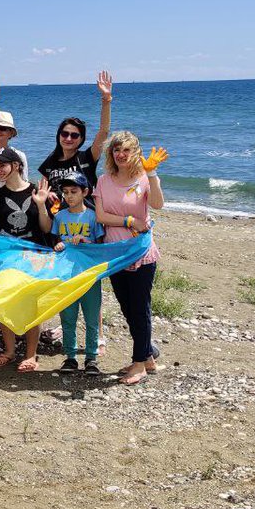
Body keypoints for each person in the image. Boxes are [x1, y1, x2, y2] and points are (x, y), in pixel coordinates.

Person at [95, 132, 167, 386]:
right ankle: (146, 357)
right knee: (127, 308)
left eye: (126, 150)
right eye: (116, 150)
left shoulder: (143, 178)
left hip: (140, 253)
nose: (121, 155)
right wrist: (128, 221)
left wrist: (153, 174)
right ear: (111, 154)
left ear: (135, 152)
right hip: (115, 253)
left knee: (140, 307)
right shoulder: (104, 180)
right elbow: (101, 216)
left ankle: (139, 364)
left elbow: (158, 204)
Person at [0, 147, 54, 372]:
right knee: (6, 300)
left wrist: (41, 204)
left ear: (16, 165)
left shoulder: (37, 192)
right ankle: (10, 351)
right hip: (6, 258)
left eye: (2, 165)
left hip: (34, 256)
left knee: (31, 304)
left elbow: (47, 228)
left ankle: (31, 355)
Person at [50, 174, 105, 375]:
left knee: (91, 318)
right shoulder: (59, 217)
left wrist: (85, 240)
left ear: (85, 192)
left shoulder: (93, 216)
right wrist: (58, 245)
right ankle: (70, 357)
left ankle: (91, 358)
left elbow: (100, 246)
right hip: (66, 276)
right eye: (65, 192)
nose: (69, 196)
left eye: (74, 192)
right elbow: (55, 242)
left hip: (89, 275)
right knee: (68, 318)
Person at [37, 72, 114, 203]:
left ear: (81, 139)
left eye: (74, 135)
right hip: (57, 217)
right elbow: (42, 188)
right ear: (59, 135)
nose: (68, 138)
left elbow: (104, 131)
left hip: (84, 217)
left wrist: (106, 99)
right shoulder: (51, 160)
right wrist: (46, 193)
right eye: (64, 134)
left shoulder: (87, 157)